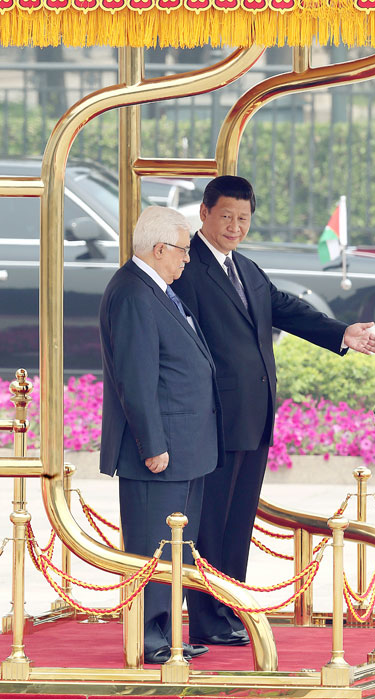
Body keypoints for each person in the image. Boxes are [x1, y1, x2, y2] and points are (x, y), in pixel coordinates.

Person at [172, 175, 375, 646]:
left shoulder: (246, 268)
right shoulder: (186, 268)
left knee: (237, 522)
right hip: (214, 420)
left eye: (243, 218)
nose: (235, 226)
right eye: (226, 215)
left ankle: (230, 612)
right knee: (210, 525)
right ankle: (207, 619)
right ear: (204, 213)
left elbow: (286, 308)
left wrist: (341, 332)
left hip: (254, 416)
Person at [99, 206, 223, 664]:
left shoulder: (157, 289)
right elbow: (136, 378)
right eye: (184, 250)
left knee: (178, 551)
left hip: (186, 449)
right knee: (153, 548)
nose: (188, 259)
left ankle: (169, 635)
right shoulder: (134, 292)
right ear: (158, 249)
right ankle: (151, 639)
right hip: (159, 453)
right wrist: (153, 445)